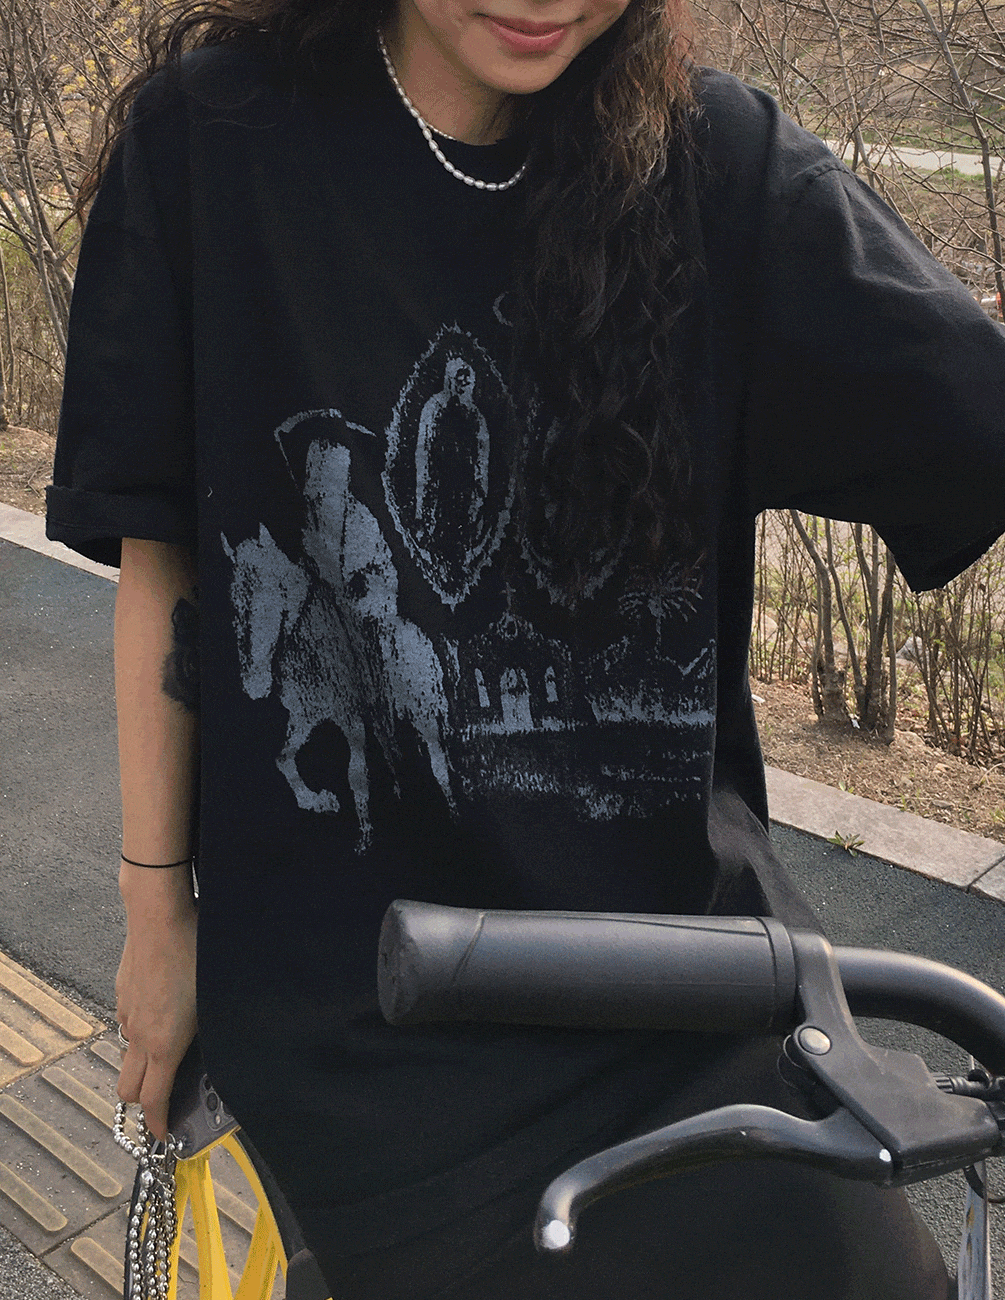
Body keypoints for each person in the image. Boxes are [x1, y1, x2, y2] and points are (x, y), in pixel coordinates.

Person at [46, 0, 1005, 1293]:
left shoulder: (716, 169)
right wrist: (158, 920)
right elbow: (166, 563)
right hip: (369, 1031)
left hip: (692, 996)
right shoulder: (214, 145)